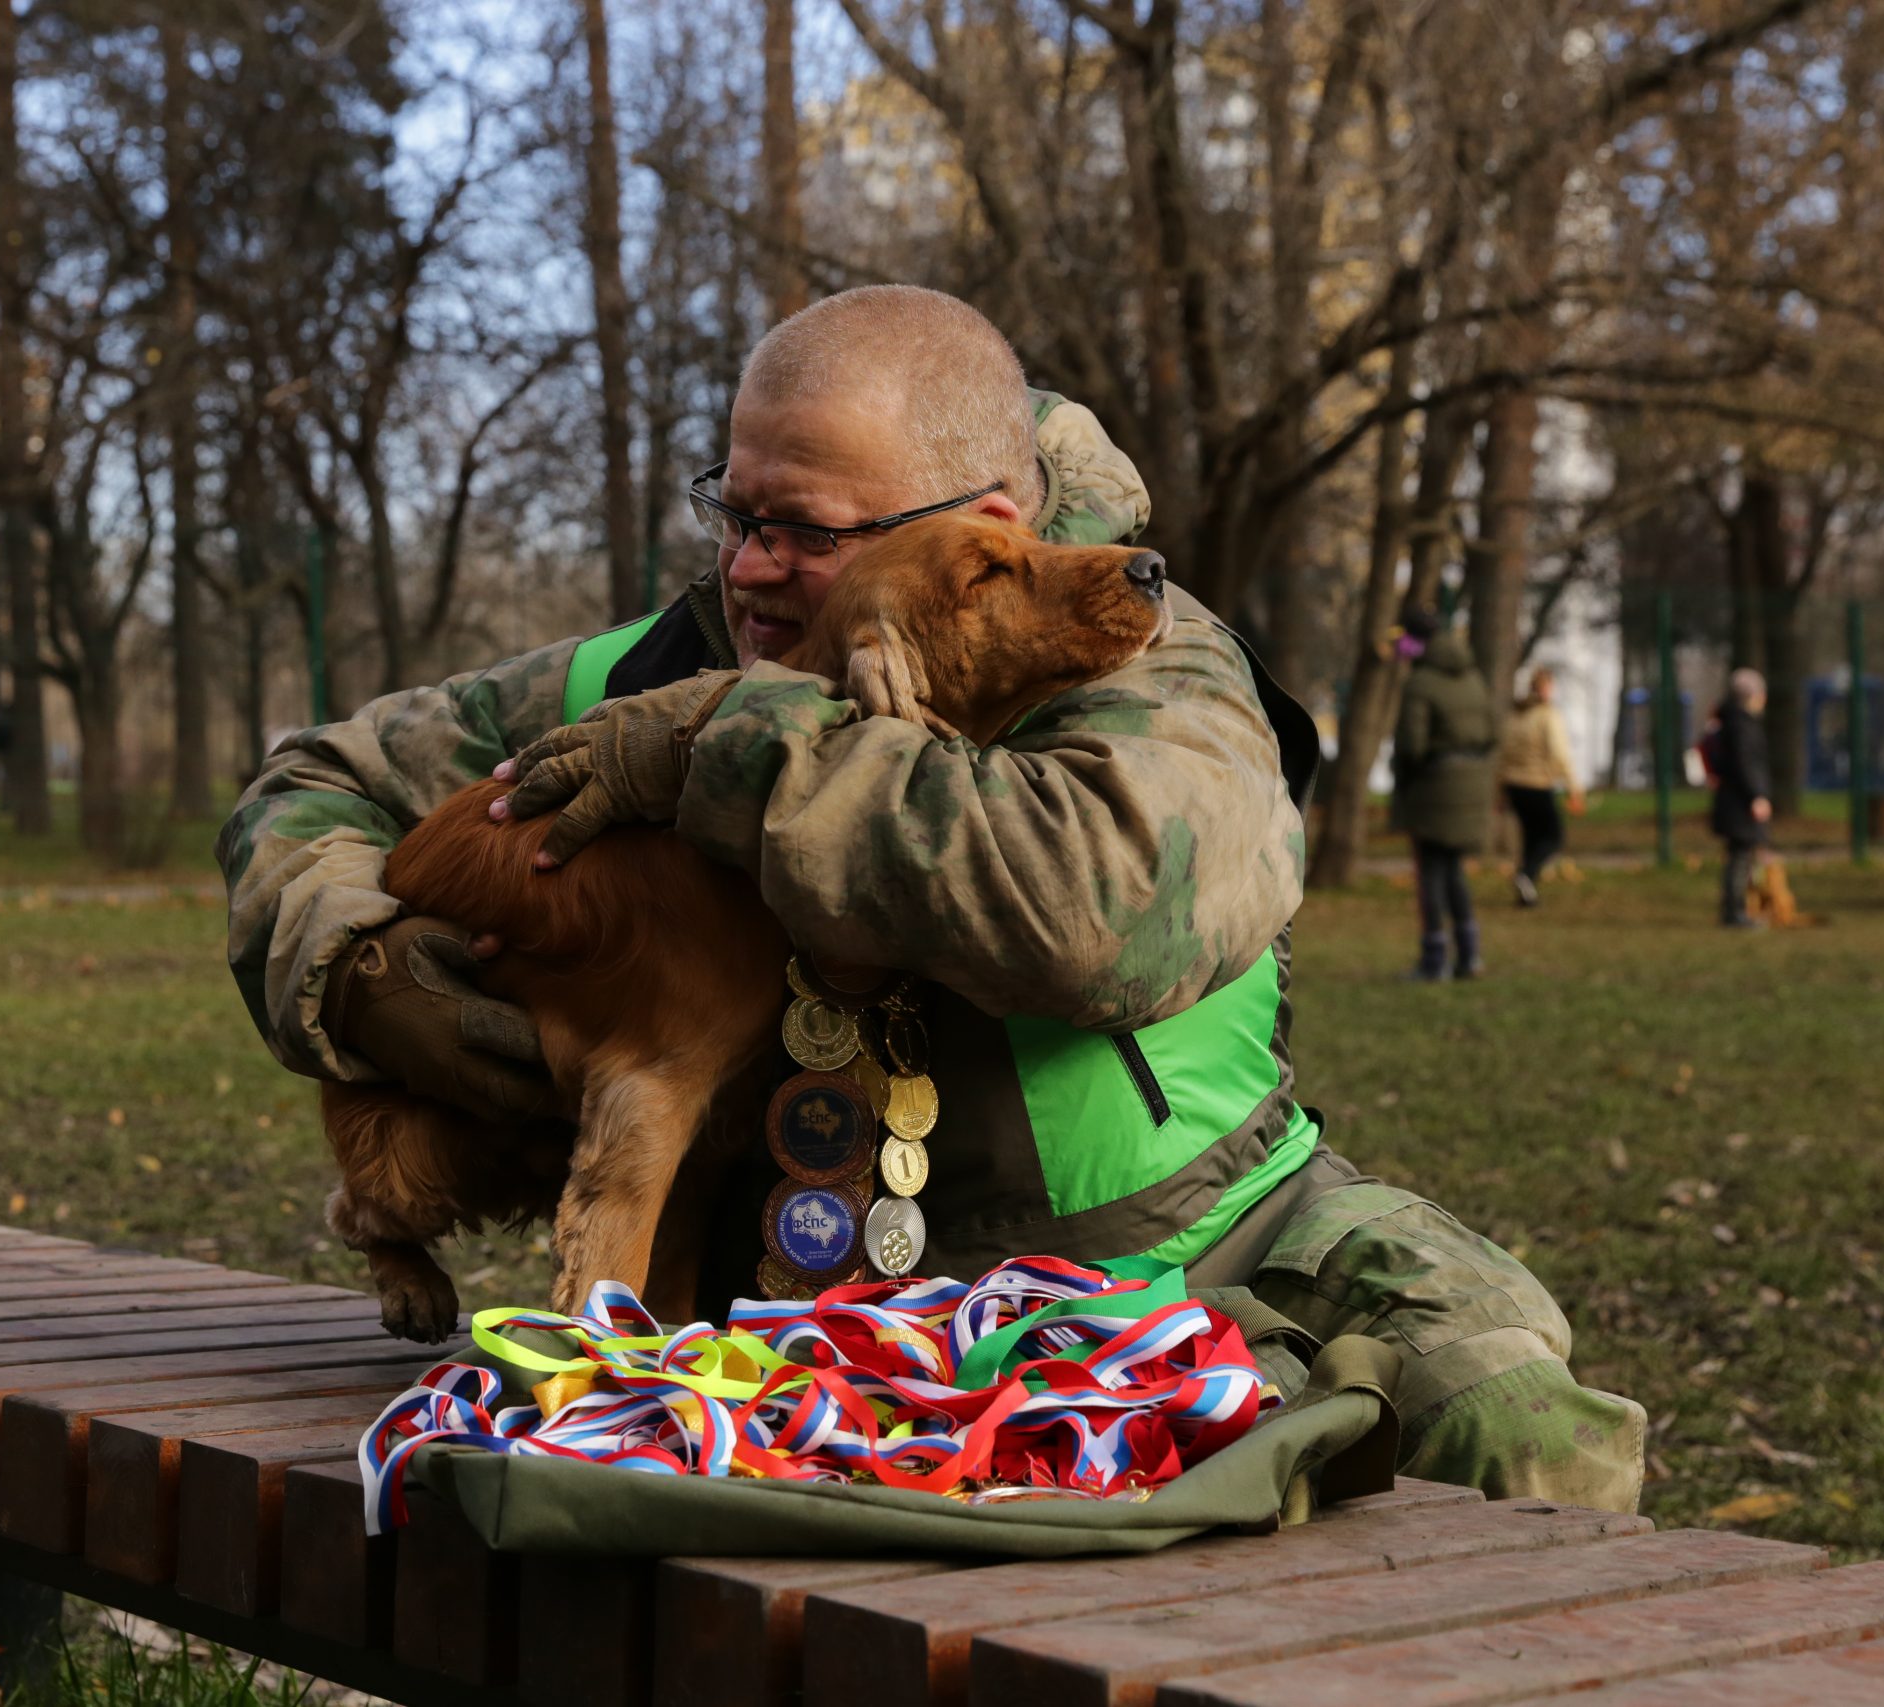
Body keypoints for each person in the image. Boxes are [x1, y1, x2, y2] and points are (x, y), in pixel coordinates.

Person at [217, 284, 1645, 1511]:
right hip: (808, 1296)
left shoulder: (1152, 656)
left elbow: (1095, 911)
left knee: (1508, 1414)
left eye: (807, 527)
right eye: (736, 508)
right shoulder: (644, 666)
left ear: (988, 516)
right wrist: (351, 961)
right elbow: (312, 781)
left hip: (1200, 1249)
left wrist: (732, 743)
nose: (752, 565)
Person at [1389, 609, 1499, 978]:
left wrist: (1403, 777)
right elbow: (1494, 732)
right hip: (1473, 783)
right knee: (1453, 870)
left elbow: (1411, 745)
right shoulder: (1472, 675)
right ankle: (1469, 955)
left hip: (1434, 786)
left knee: (1431, 873)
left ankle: (1434, 960)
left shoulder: (1420, 683)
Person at [1496, 665, 1583, 907]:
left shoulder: (1514, 716)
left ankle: (1526, 892)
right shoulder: (1547, 715)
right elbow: (1559, 753)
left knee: (1531, 838)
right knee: (1553, 837)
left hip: (1514, 786)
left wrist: (1499, 791)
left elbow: (1502, 756)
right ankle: (1526, 874)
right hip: (1537, 784)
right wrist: (1573, 787)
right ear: (1546, 688)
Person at [1707, 669, 1772, 928]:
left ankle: (1735, 909)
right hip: (1739, 802)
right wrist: (1756, 795)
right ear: (1753, 696)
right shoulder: (1741, 725)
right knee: (1740, 858)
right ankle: (1735, 912)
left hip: (1732, 800)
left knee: (1739, 856)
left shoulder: (1729, 722)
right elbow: (1746, 764)